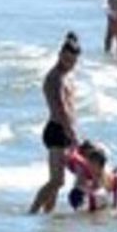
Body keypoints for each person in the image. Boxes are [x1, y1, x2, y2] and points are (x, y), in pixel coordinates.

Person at [30, 33, 81, 216]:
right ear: (60, 55)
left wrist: (73, 130)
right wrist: (73, 135)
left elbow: (71, 106)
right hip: (57, 131)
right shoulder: (55, 78)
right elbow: (61, 110)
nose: (69, 64)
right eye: (66, 59)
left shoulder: (68, 74)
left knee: (59, 182)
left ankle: (47, 215)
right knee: (57, 180)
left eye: (73, 61)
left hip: (66, 131)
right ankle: (31, 213)